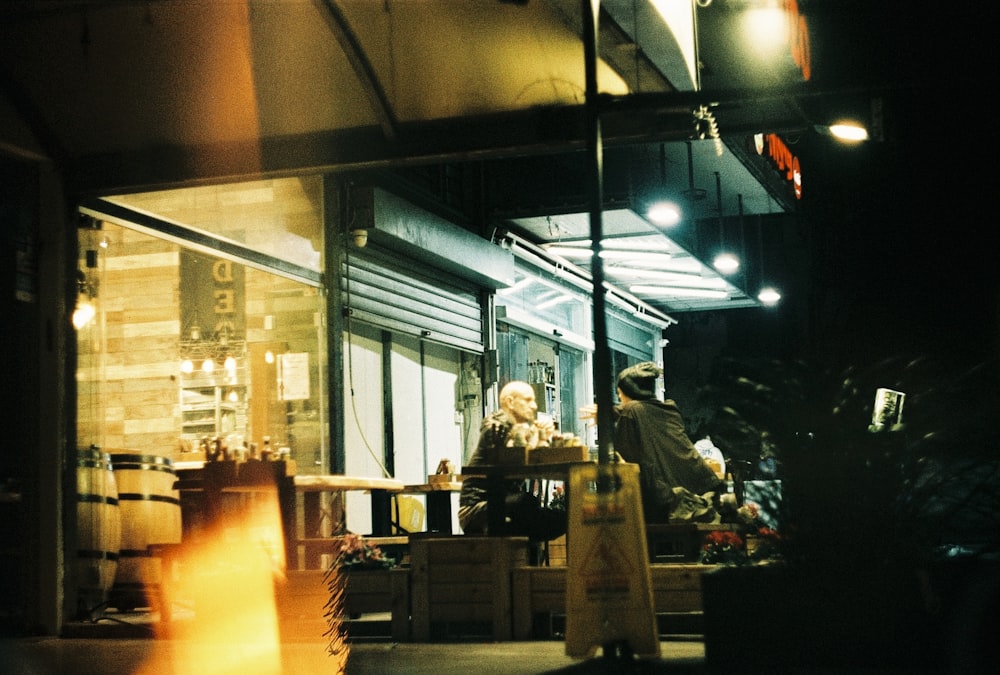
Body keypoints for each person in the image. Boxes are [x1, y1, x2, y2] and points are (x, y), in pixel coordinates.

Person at [608, 361, 725, 524]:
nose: (620, 400)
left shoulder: (631, 412)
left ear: (629, 392)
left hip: (666, 505)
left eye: (620, 395)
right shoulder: (669, 411)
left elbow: (628, 463)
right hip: (701, 489)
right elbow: (645, 409)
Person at [459, 381, 567, 542]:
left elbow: (528, 455)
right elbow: (517, 456)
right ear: (510, 402)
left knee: (562, 518)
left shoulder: (521, 429)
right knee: (528, 503)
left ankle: (528, 561)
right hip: (477, 509)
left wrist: (544, 436)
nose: (534, 406)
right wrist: (539, 437)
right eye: (528, 400)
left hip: (504, 505)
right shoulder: (495, 427)